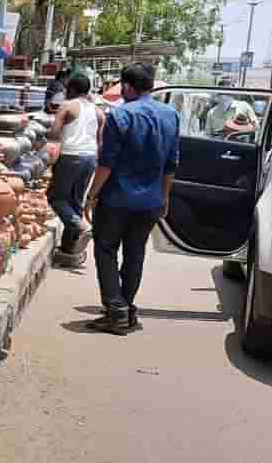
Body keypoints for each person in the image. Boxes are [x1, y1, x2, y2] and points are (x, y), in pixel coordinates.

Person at [83, 63, 180, 335]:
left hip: (117, 199)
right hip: (150, 201)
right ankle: (127, 309)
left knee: (105, 249)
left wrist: (92, 194)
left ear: (126, 86)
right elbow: (172, 163)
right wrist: (165, 197)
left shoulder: (119, 115)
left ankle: (116, 311)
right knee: (135, 253)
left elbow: (107, 163)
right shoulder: (171, 115)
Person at [48, 73, 104, 256]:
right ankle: (69, 249)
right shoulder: (98, 111)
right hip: (90, 158)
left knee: (56, 198)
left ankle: (79, 226)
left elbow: (55, 132)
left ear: (70, 89)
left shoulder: (67, 106)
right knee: (75, 202)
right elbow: (100, 141)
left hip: (70, 156)